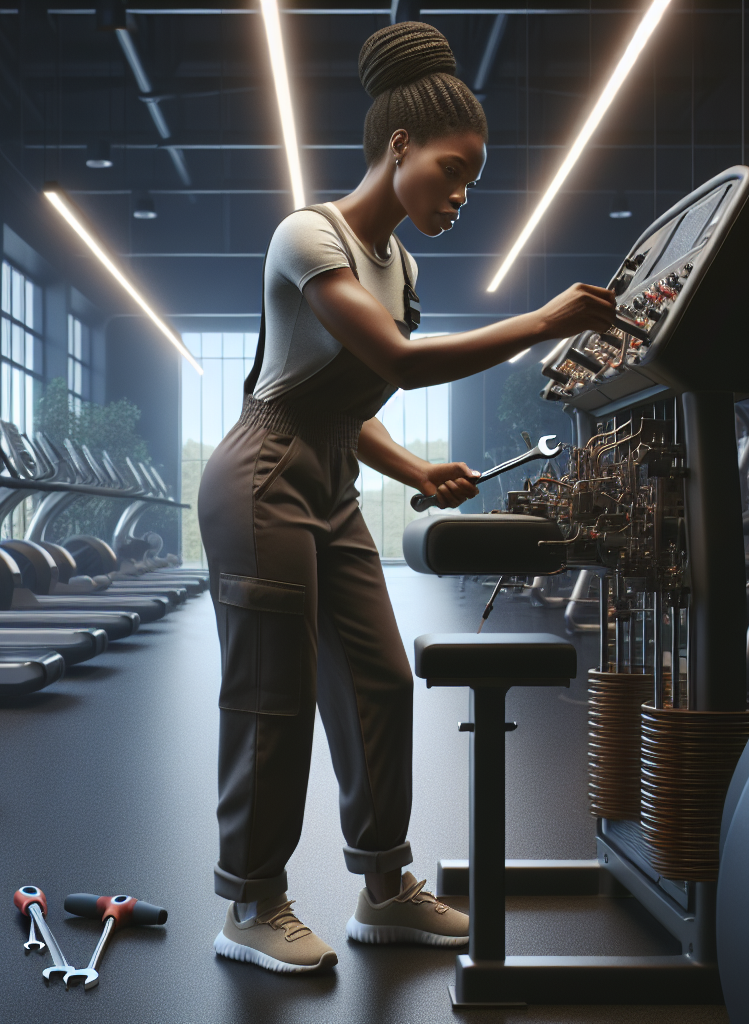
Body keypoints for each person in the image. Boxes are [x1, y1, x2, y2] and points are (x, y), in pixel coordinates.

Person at [198, 20, 615, 974]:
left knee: (380, 678)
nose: (462, 194)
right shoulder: (311, 235)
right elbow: (393, 361)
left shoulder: (403, 265)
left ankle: (383, 886)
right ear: (398, 147)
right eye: (452, 170)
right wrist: (543, 319)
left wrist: (417, 472)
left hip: (331, 480)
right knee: (275, 694)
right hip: (262, 480)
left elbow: (351, 405)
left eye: (472, 179)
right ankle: (253, 903)